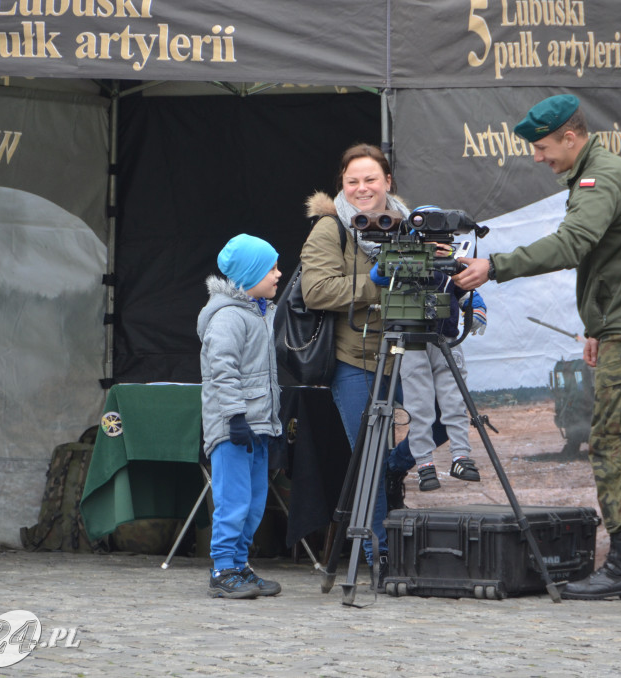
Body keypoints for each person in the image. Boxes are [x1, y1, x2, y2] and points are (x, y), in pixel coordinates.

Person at [454, 94, 621, 601]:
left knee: (615, 444)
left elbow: (575, 243)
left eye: (544, 146)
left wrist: (495, 265)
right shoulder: (607, 172)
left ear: (571, 137)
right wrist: (601, 325)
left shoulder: (602, 177)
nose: (537, 157)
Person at [300, 143, 416, 582]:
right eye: (353, 181)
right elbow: (317, 291)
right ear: (342, 187)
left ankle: (392, 470)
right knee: (366, 454)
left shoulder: (413, 224)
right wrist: (376, 285)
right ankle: (380, 556)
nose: (362, 188)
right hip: (356, 359)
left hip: (412, 356)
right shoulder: (331, 229)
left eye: (371, 179)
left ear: (388, 181)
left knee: (440, 421)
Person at [198, 233, 284, 599]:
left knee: (254, 501)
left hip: (258, 427)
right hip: (234, 427)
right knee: (233, 500)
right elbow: (223, 370)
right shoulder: (228, 318)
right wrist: (235, 417)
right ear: (249, 276)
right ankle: (222, 569)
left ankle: (240, 563)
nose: (279, 274)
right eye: (271, 268)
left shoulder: (260, 312)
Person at [370, 251, 488, 491]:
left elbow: (469, 295)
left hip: (445, 338)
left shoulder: (450, 269)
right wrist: (412, 258)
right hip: (411, 342)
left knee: (454, 399)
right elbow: (377, 275)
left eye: (444, 238)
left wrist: (477, 312)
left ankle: (461, 456)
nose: (440, 245)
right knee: (419, 403)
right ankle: (424, 463)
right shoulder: (402, 262)